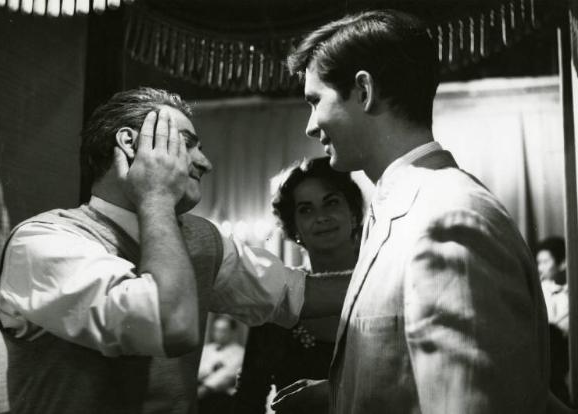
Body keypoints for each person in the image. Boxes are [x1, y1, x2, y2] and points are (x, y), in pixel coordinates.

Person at [0, 88, 350, 414]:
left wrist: (401, 273)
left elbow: (296, 294)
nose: (205, 163)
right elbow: (170, 327)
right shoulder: (43, 242)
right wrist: (155, 197)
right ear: (131, 145)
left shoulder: (201, 236)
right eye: (188, 144)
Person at [271, 9, 549, 414]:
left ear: (363, 91)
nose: (311, 126)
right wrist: (339, 395)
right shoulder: (400, 211)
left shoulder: (447, 218)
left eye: (316, 101)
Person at [233, 157, 363, 413]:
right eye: (306, 209)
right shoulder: (276, 295)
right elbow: (249, 396)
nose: (321, 217)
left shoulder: (387, 282)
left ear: (354, 212)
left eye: (332, 203)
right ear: (293, 228)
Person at [536, 237, 570, 405]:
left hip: (565, 347)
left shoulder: (569, 292)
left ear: (562, 263)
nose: (540, 267)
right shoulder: (539, 290)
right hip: (544, 346)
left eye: (545, 261)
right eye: (538, 262)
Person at [198, 315, 244, 413]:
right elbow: (198, 371)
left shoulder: (240, 353)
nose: (219, 334)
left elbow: (226, 376)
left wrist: (204, 389)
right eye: (216, 330)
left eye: (223, 330)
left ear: (232, 332)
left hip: (219, 395)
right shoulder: (207, 349)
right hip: (198, 387)